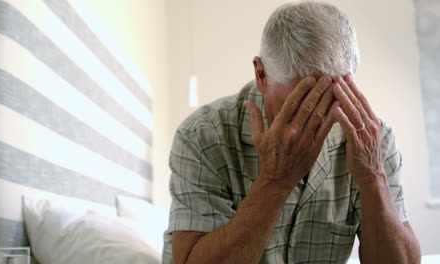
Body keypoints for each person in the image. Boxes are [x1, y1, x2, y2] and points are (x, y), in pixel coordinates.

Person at [163, 1, 421, 263]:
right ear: (261, 74)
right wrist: (276, 179)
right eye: (302, 105)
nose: (318, 119)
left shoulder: (373, 139)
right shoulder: (203, 135)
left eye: (332, 100)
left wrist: (373, 176)